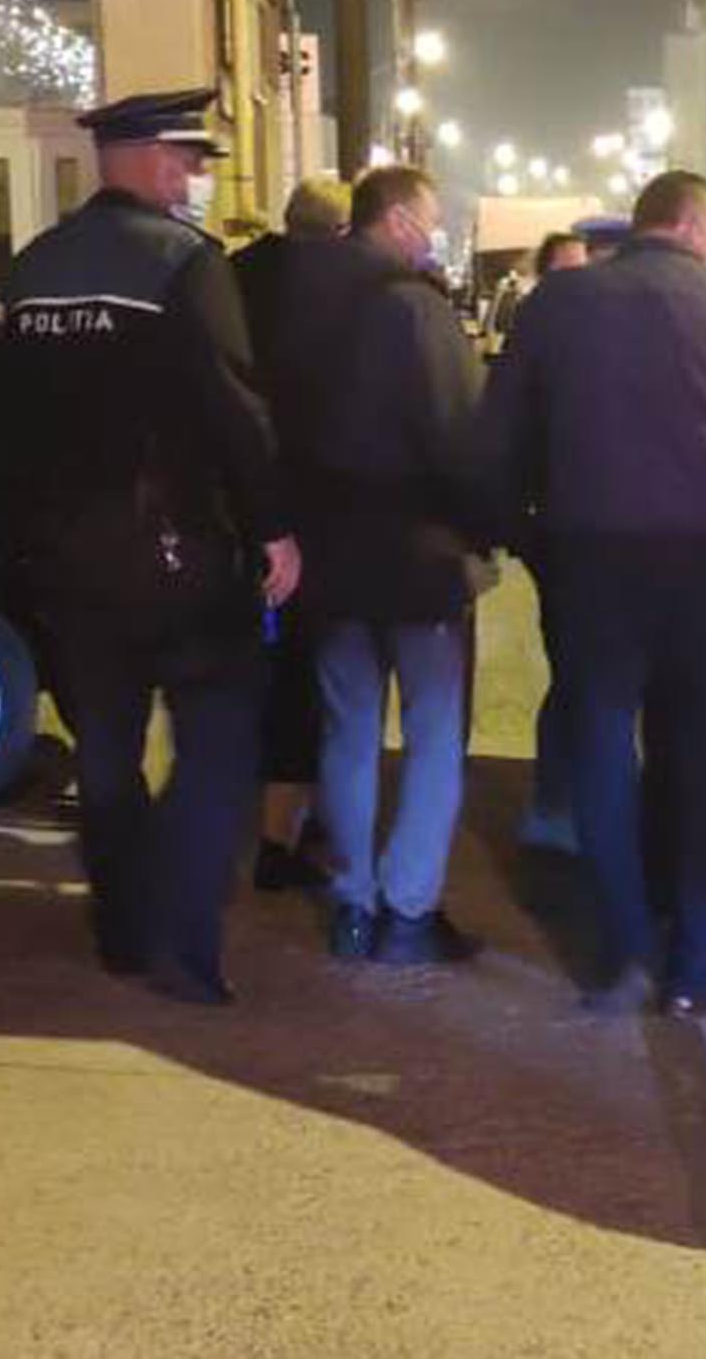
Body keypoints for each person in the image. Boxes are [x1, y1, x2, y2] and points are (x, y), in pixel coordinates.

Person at [479, 171, 706, 1016]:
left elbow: (499, 439)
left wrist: (531, 541)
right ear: (695, 226)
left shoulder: (556, 304)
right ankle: (697, 967)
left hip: (590, 566)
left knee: (600, 746)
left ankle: (624, 945)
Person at [0, 88, 298, 1005]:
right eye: (189, 160)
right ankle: (186, 945)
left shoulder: (32, 269)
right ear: (150, 158)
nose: (195, 178)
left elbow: (17, 426)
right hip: (179, 552)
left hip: (67, 559)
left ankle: (123, 931)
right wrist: (275, 529)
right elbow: (237, 412)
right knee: (218, 740)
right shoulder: (183, 262)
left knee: (105, 752)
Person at [297, 166, 488, 966]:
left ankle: (352, 903)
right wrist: (484, 527)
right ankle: (409, 908)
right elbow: (458, 434)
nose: (433, 234)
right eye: (430, 220)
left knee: (348, 728)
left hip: (330, 550)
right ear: (401, 221)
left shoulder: (300, 297)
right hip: (419, 554)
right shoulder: (415, 308)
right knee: (435, 728)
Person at [230, 175, 351, 892]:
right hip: (312, 507)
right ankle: (285, 835)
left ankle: (258, 813)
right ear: (340, 233)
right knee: (307, 674)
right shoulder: (345, 289)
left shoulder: (234, 275)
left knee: (260, 664)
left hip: (237, 501)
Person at [512, 228, 593, 855]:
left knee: (589, 674)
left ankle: (578, 802)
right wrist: (519, 530)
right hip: (557, 534)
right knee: (572, 671)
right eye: (563, 270)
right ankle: (556, 804)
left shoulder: (601, 336)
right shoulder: (536, 337)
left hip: (594, 534)